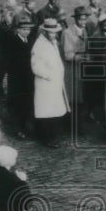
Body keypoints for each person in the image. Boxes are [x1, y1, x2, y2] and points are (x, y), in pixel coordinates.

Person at [32, 18, 69, 148]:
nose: (54, 34)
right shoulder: (39, 45)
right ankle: (47, 138)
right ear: (45, 32)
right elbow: (36, 67)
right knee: (46, 112)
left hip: (54, 84)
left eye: (55, 32)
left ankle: (53, 136)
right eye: (51, 32)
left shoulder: (52, 42)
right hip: (46, 84)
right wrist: (50, 76)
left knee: (54, 111)